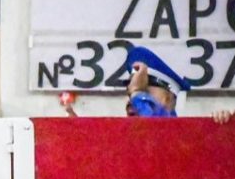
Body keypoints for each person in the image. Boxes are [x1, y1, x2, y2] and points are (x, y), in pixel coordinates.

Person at [63, 45, 232, 122]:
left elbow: (159, 130)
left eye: (146, 89)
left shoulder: (185, 139)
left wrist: (137, 92)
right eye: (129, 90)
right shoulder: (117, 144)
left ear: (170, 98)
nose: (131, 99)